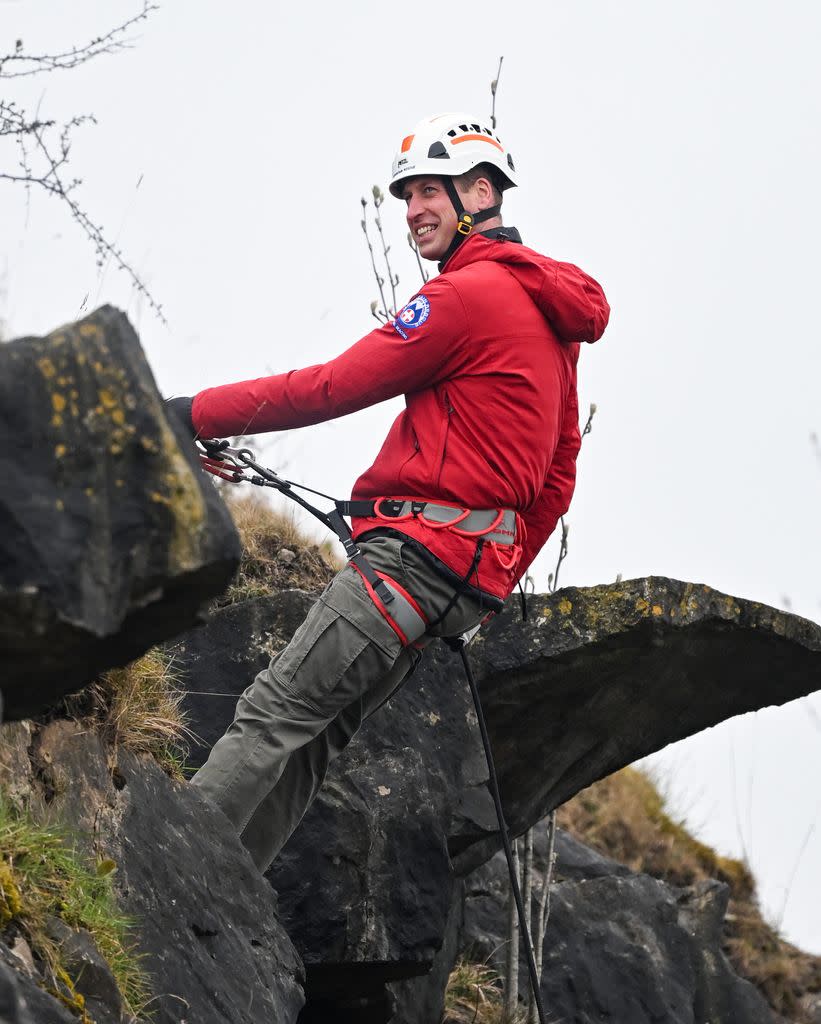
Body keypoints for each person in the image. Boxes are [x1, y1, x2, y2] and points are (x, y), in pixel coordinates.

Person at [168, 112, 610, 872]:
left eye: (430, 192)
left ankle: (161, 879)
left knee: (273, 713)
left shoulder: (466, 297)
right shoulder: (547, 314)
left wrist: (188, 414)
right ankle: (223, 902)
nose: (412, 212)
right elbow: (559, 473)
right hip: (455, 582)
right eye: (406, 197)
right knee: (313, 738)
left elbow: (332, 386)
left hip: (410, 563)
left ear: (480, 192)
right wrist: (492, 576)